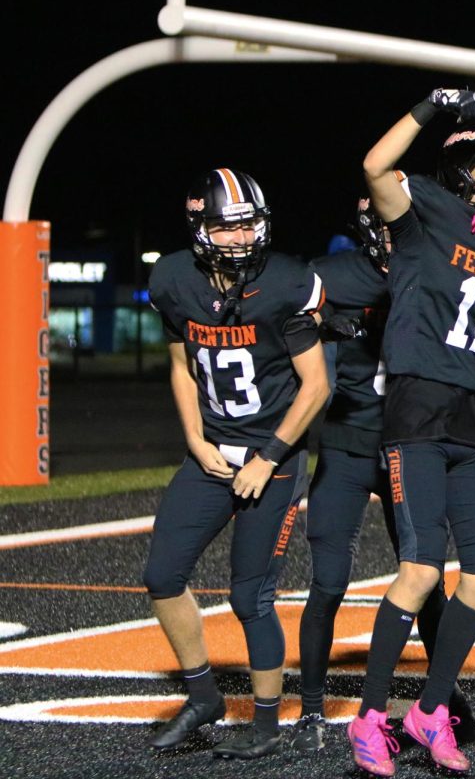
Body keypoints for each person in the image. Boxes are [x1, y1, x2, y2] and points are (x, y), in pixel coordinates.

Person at [344, 89, 475, 776]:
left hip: (472, 413)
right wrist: (425, 108)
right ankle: (370, 717)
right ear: (462, 167)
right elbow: (376, 166)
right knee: (420, 568)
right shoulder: (428, 211)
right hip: (413, 406)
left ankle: (430, 711)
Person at [143, 168, 329, 759]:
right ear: (200, 227)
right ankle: (204, 696)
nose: (241, 237)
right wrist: (195, 441)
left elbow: (316, 386)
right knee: (162, 575)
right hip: (212, 450)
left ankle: (268, 724)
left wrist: (268, 457)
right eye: (227, 227)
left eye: (249, 223)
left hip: (271, 455)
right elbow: (181, 366)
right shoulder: (173, 278)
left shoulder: (288, 283)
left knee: (250, 597)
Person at [292, 198, 472, 754]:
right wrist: (318, 321)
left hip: (412, 444)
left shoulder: (441, 271)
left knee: (426, 579)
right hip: (348, 443)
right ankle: (313, 707)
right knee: (328, 582)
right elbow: (278, 315)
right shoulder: (332, 274)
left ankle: (441, 698)